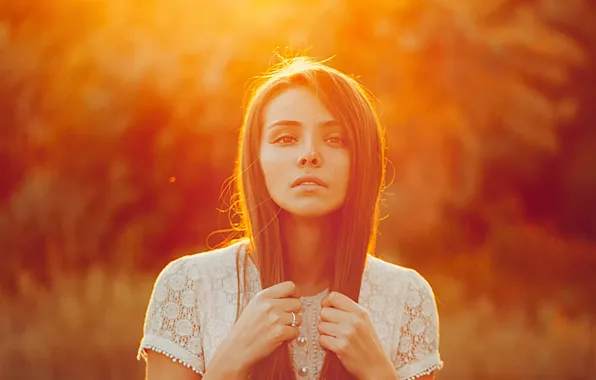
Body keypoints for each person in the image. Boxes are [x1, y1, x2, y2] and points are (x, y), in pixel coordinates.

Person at [136, 57, 443, 380]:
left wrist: (378, 372)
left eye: (335, 139)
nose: (309, 154)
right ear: (256, 159)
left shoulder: (406, 296)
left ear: (364, 160)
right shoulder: (189, 286)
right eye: (285, 138)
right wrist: (233, 358)